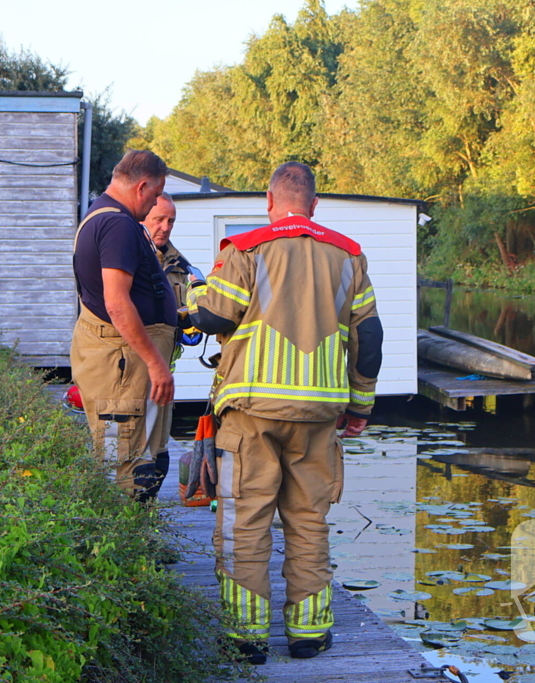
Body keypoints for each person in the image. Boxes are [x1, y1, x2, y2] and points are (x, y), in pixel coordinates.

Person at [186, 162, 383, 662]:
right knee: (308, 521)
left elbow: (213, 316)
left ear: (270, 203)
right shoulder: (349, 256)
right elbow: (370, 339)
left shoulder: (246, 249)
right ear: (314, 205)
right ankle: (310, 633)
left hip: (252, 412)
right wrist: (359, 404)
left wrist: (193, 292)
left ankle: (246, 637)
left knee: (244, 525)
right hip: (319, 414)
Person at [70, 150, 177, 502]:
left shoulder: (103, 216)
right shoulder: (116, 223)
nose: (153, 206)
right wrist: (156, 362)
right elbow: (116, 302)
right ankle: (124, 543)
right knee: (126, 467)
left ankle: (136, 544)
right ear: (143, 186)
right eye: (155, 194)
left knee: (147, 460)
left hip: (127, 364)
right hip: (122, 366)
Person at [141, 192, 200, 491]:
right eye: (158, 220)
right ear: (142, 219)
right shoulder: (132, 258)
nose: (165, 227)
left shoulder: (182, 267)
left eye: (171, 221)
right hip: (136, 373)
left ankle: (146, 517)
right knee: (132, 455)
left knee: (159, 454)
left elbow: (193, 321)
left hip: (165, 374)